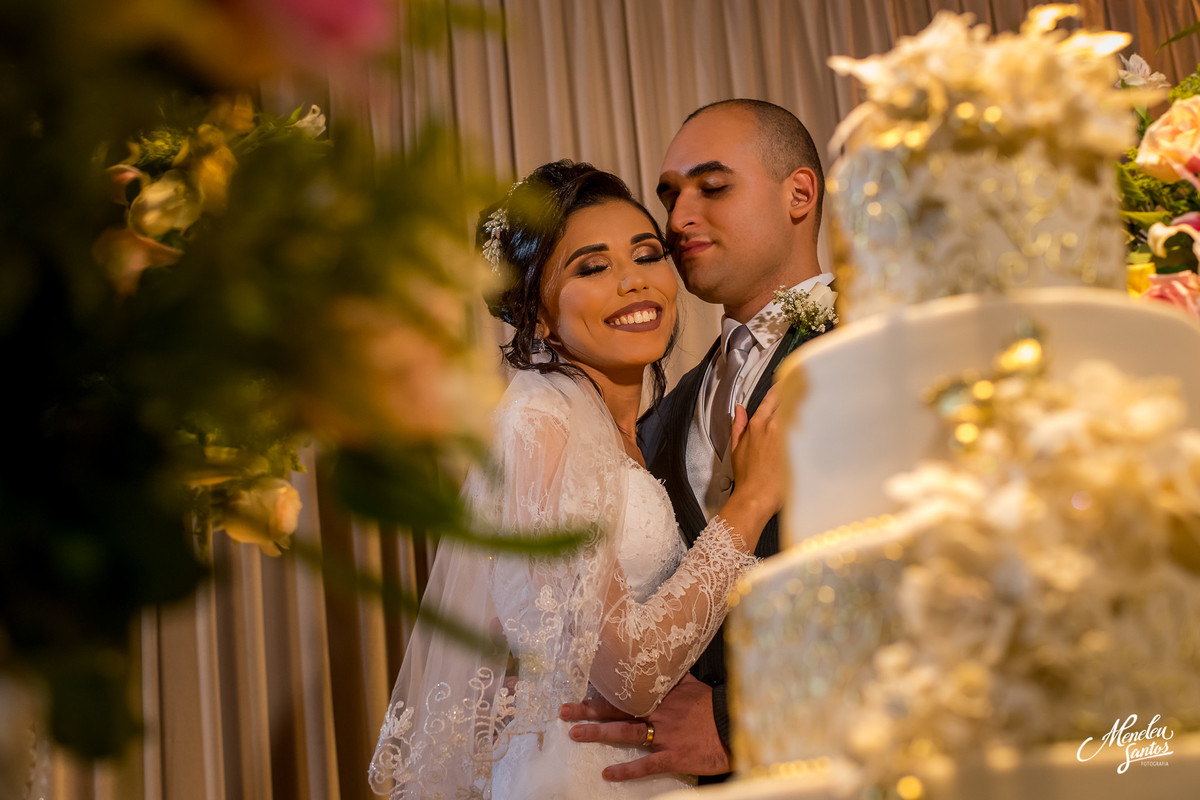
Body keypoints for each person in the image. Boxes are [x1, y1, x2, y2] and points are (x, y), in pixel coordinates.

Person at [368, 159, 786, 799]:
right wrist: (752, 501)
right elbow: (634, 673)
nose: (632, 283)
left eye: (646, 256)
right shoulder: (539, 425)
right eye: (592, 267)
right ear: (534, 313)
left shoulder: (636, 430)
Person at [560, 100, 833, 784]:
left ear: (799, 193)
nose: (679, 218)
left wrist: (739, 722)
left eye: (712, 188)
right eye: (670, 195)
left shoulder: (882, 346)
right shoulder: (656, 420)